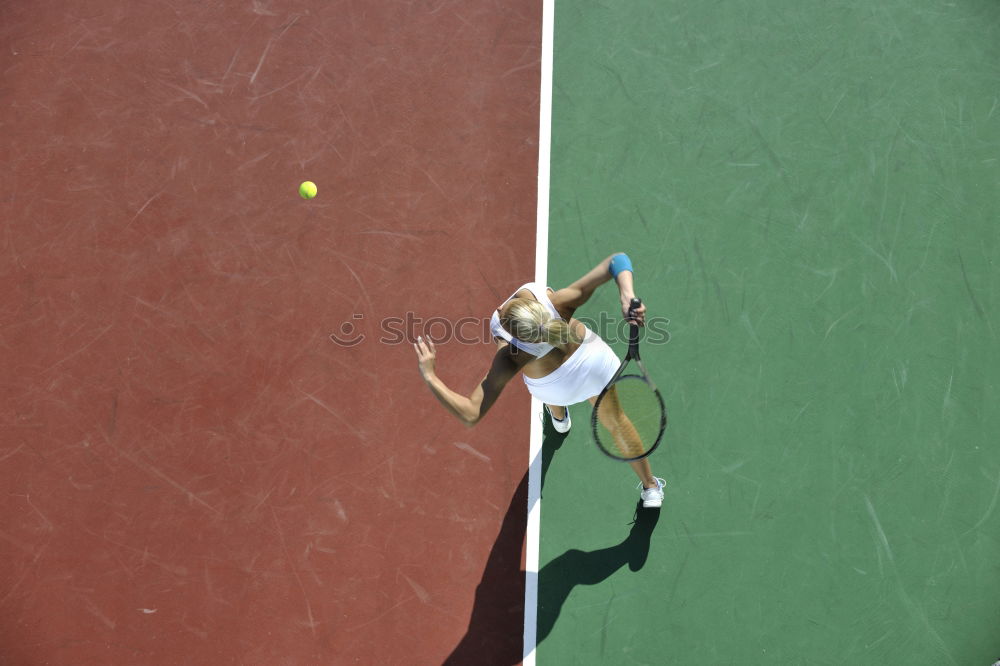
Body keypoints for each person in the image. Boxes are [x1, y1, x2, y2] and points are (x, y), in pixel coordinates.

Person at [412, 253, 665, 508]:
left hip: (557, 389)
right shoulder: (558, 303)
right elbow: (617, 261)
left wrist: (431, 376)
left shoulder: (510, 357)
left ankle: (559, 420)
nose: (499, 309)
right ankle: (651, 487)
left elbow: (470, 414)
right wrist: (627, 295)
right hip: (596, 367)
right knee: (617, 423)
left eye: (504, 318)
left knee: (548, 394)